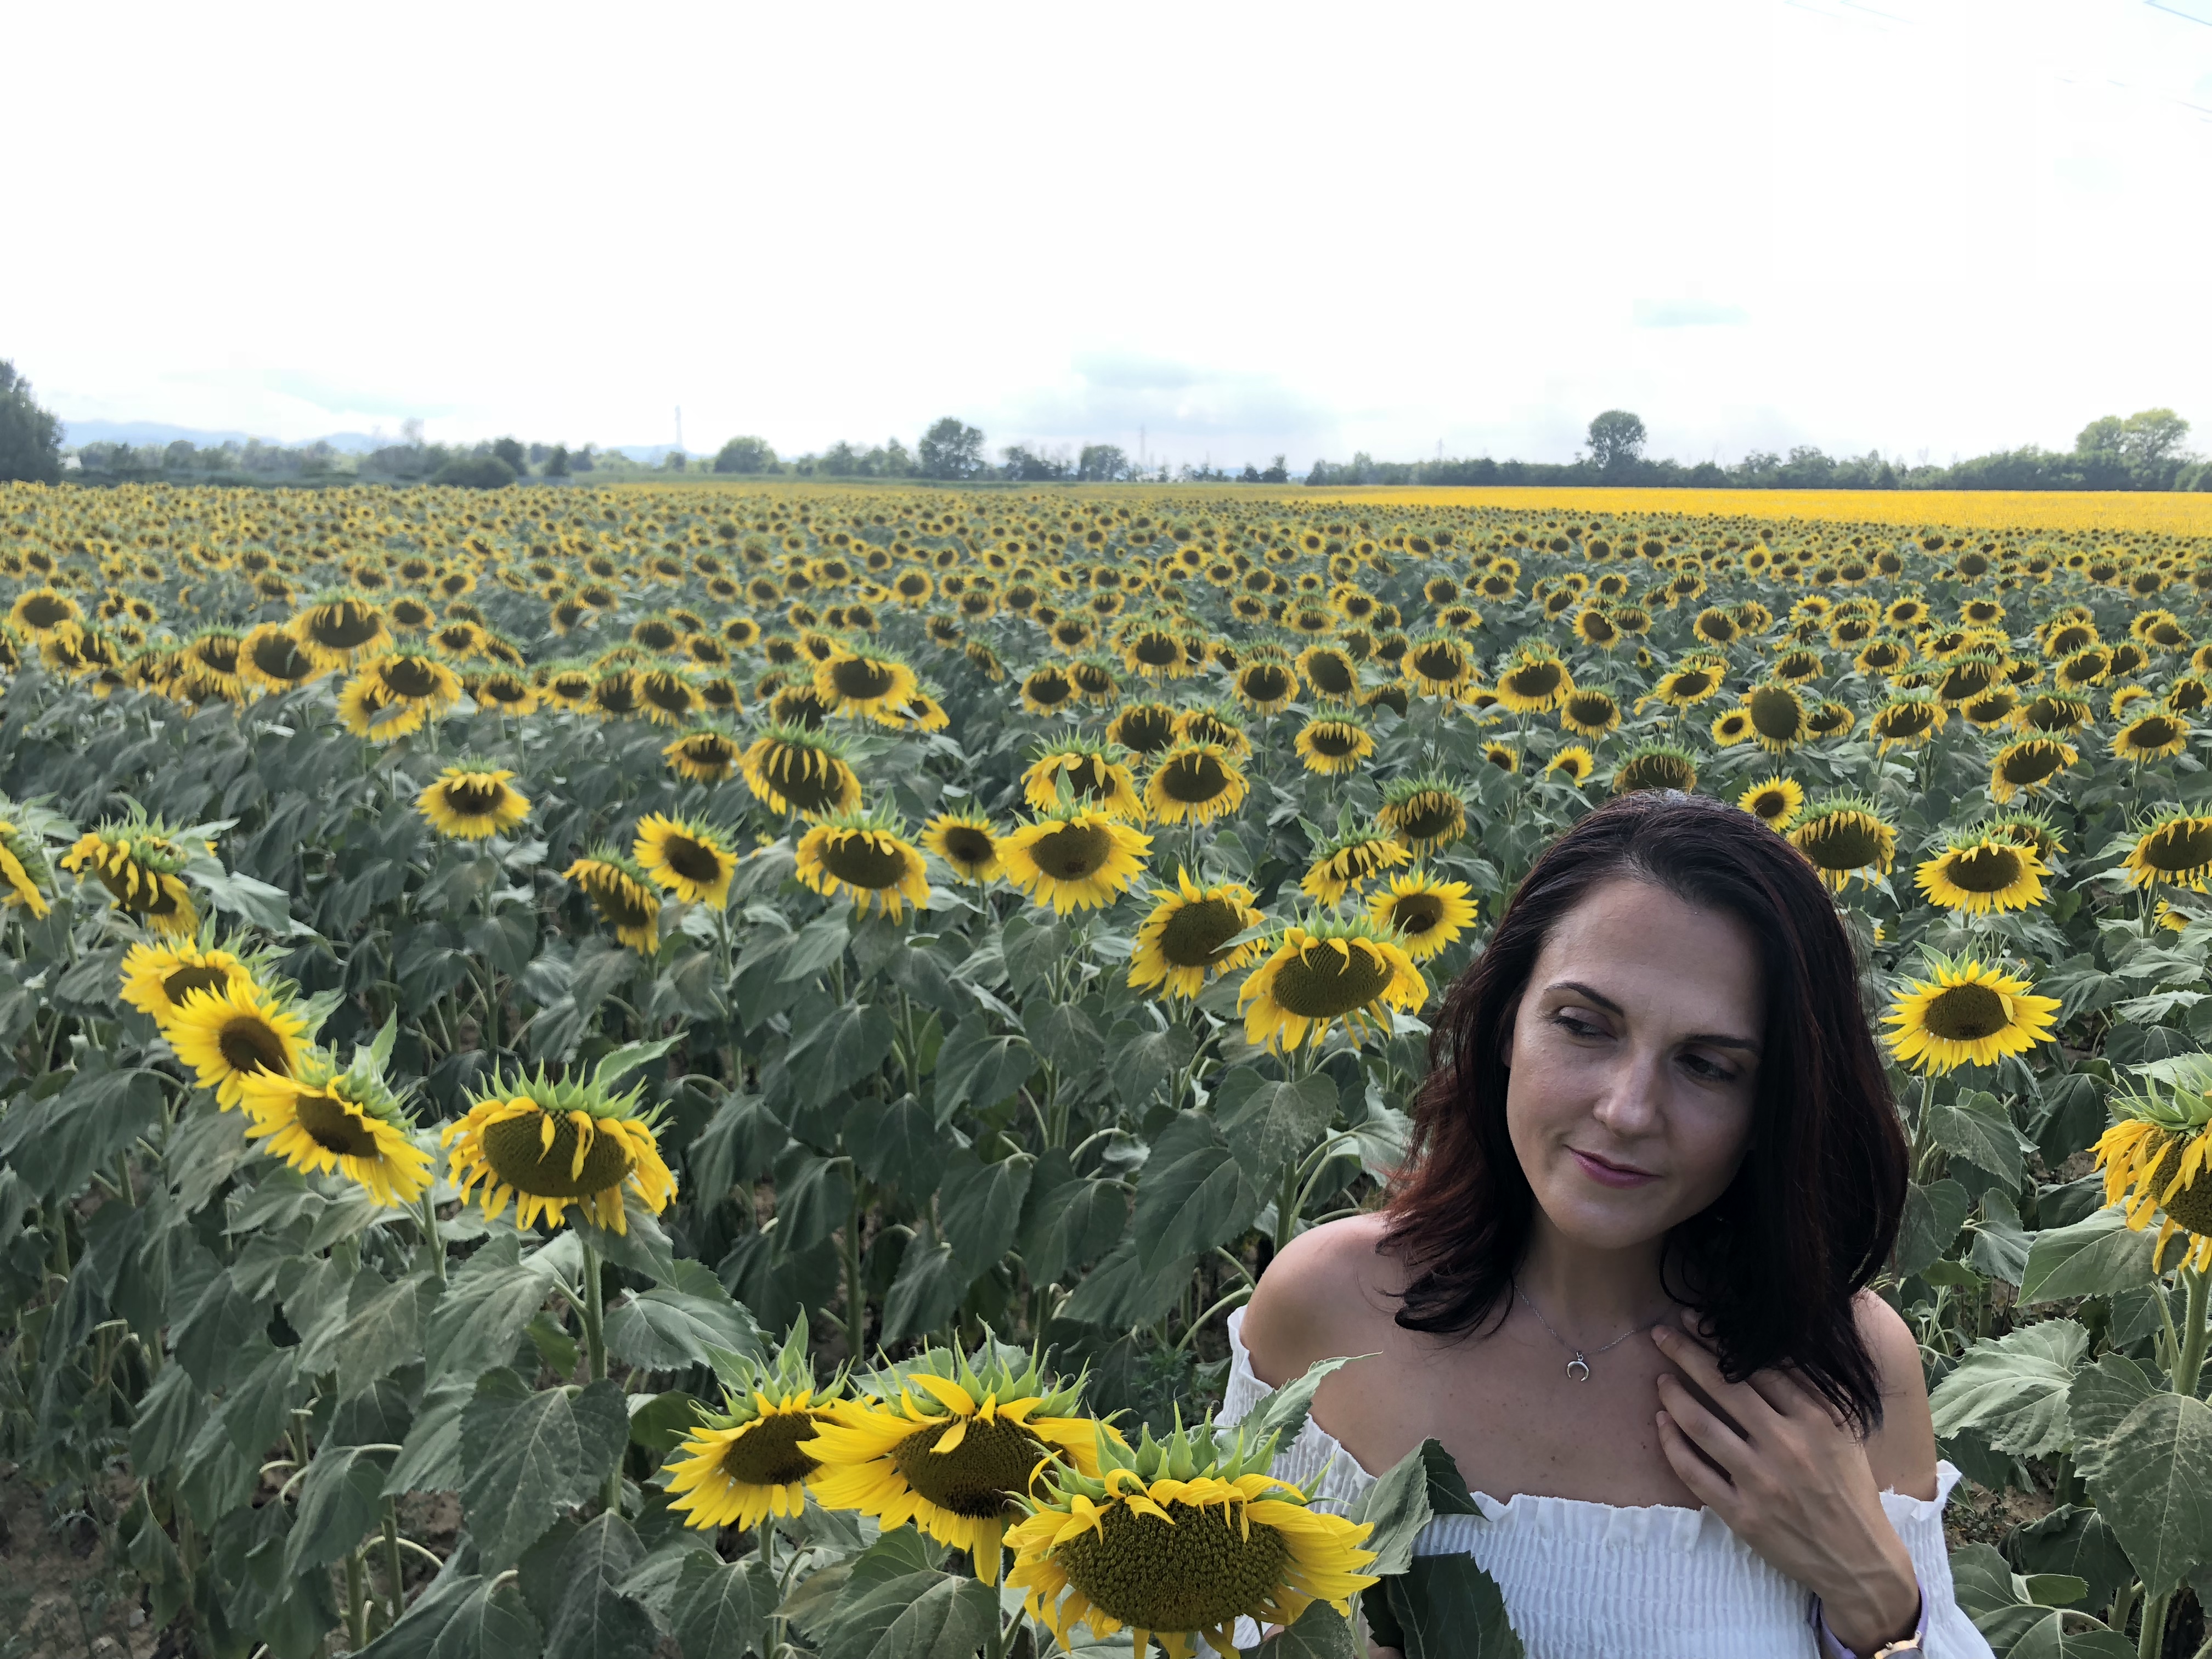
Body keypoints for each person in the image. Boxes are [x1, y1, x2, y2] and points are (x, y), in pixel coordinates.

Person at [1228, 791, 1990, 1658]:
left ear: (1772, 1106)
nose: (1628, 1110)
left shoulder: (1842, 1367)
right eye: (1584, 1025)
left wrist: (1879, 1598)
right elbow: (1226, 1630)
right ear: (1508, 1022)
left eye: (1707, 1066)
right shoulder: (1329, 1307)